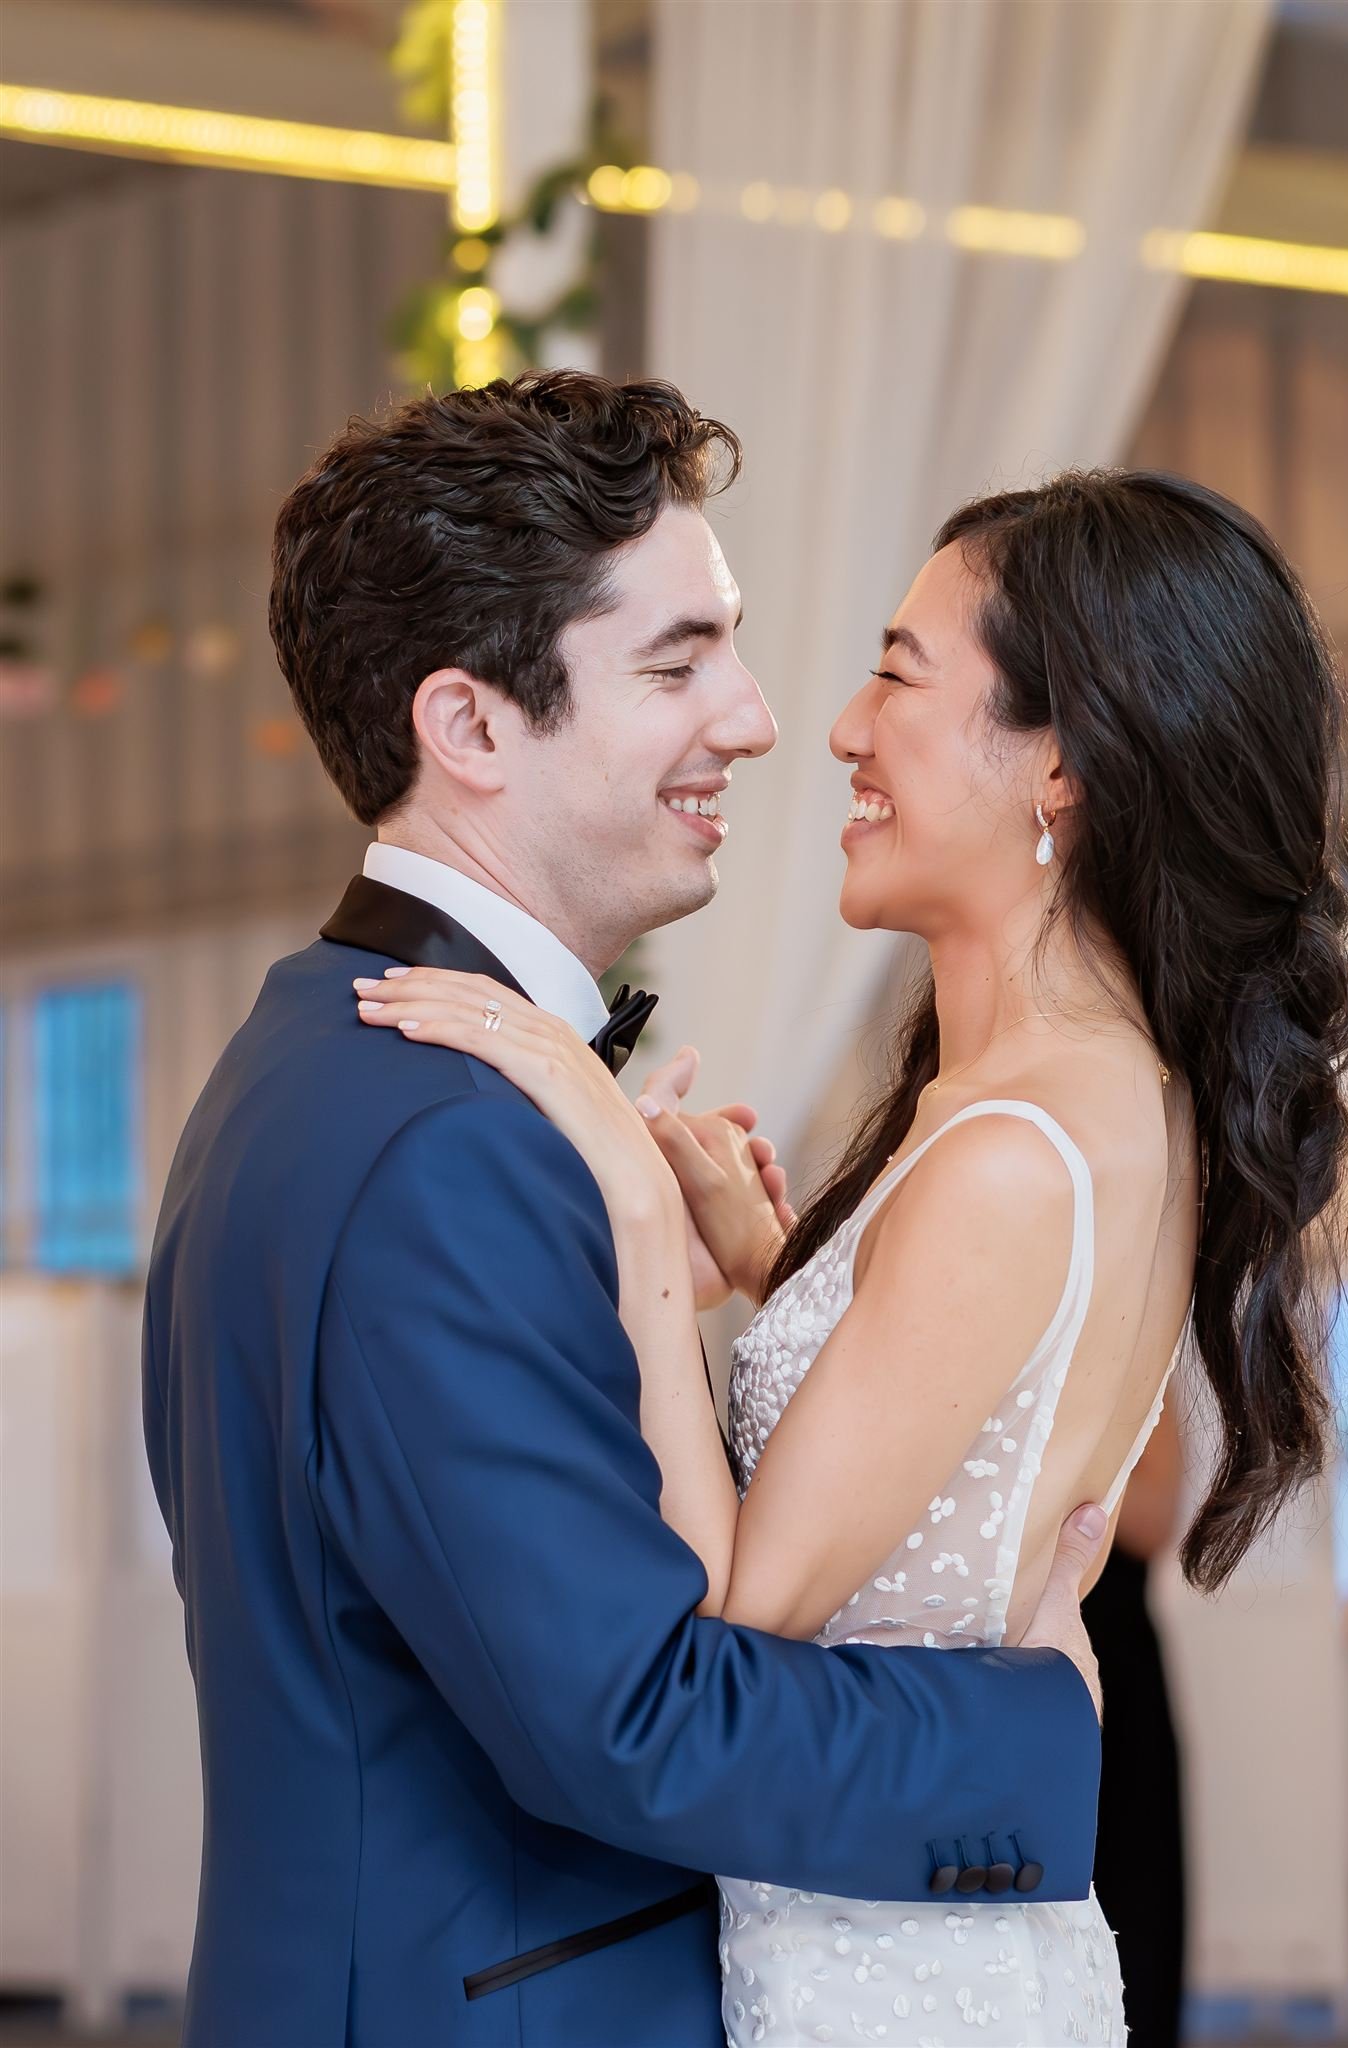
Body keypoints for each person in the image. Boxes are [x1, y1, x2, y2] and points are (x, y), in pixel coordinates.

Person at [141, 372, 1114, 2048]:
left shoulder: (340, 1064)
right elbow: (633, 1716)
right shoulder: (443, 1136)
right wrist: (1035, 1728)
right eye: (674, 664)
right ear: (468, 727)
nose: (751, 716)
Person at [364, 460, 1348, 2041]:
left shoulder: (1008, 1155)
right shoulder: (1077, 1099)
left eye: (897, 675)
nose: (836, 728)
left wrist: (629, 1212)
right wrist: (779, 1269)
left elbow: (733, 1613)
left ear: (1062, 767)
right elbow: (955, 1428)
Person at [1083, 1377, 1188, 2048]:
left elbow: (1155, 1519)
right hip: (997, 1667)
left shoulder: (1140, 1344)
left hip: (1116, 1665)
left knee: (1135, 1909)